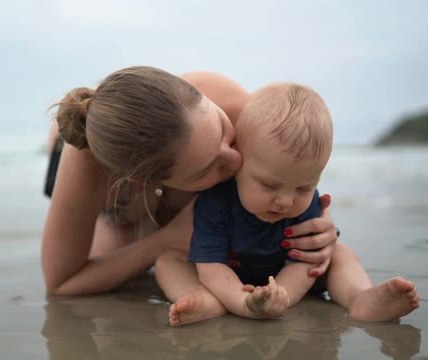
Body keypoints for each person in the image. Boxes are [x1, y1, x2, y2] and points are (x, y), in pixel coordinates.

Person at [41, 66, 338, 311]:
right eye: (209, 169)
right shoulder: (87, 166)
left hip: (156, 143)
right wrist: (164, 241)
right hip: (118, 196)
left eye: (224, 131)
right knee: (123, 245)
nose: (235, 159)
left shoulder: (229, 101)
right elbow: (61, 283)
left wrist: (316, 223)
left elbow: (292, 174)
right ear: (148, 181)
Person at [168, 83, 419, 325]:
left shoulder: (307, 205)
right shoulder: (216, 201)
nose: (286, 201)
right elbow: (211, 266)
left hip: (295, 280)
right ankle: (207, 299)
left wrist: (281, 297)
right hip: (228, 278)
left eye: (303, 188)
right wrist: (243, 302)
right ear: (239, 163)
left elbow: (305, 263)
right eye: (269, 185)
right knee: (168, 260)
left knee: (340, 254)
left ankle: (359, 297)